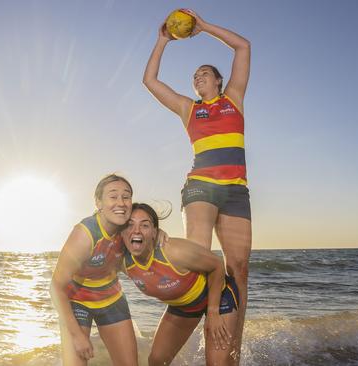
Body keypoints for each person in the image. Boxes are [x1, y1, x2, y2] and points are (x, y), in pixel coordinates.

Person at [142, 8, 252, 360]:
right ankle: (203, 324)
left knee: (239, 268)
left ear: (218, 81)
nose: (198, 78)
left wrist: (203, 27)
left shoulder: (233, 99)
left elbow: (243, 47)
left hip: (236, 190)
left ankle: (231, 341)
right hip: (201, 186)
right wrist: (162, 40)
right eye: (195, 76)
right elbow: (151, 81)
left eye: (204, 74)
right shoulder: (190, 109)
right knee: (202, 259)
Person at [121, 203, 239, 366]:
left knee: (217, 363)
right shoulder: (123, 262)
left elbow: (216, 266)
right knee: (156, 361)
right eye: (130, 224)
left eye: (145, 225)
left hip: (219, 295)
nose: (136, 230)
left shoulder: (172, 250)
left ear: (154, 232)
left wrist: (213, 312)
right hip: (185, 306)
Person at [49, 174, 138, 366]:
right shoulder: (85, 234)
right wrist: (77, 336)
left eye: (126, 196)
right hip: (77, 301)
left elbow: (148, 229)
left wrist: (158, 232)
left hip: (112, 299)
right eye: (113, 196)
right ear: (99, 202)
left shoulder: (130, 226)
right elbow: (56, 286)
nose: (121, 203)